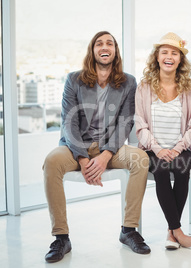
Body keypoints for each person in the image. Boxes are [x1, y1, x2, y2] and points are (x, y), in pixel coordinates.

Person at [43, 31, 150, 263]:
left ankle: (128, 230)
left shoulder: (128, 82)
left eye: (109, 43)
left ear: (115, 50)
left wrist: (105, 156)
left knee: (141, 159)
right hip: (76, 147)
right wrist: (82, 159)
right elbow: (68, 122)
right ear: (93, 50)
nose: (105, 47)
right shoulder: (74, 80)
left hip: (109, 147)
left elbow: (125, 122)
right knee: (51, 161)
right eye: (99, 43)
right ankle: (61, 237)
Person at [135, 32, 191, 251]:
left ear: (180, 60)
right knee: (162, 172)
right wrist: (157, 149)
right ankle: (178, 232)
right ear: (157, 57)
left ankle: (171, 232)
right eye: (164, 52)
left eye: (174, 53)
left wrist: (177, 149)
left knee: (183, 172)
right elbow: (140, 124)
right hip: (151, 150)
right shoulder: (144, 87)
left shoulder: (188, 90)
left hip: (179, 149)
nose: (169, 56)